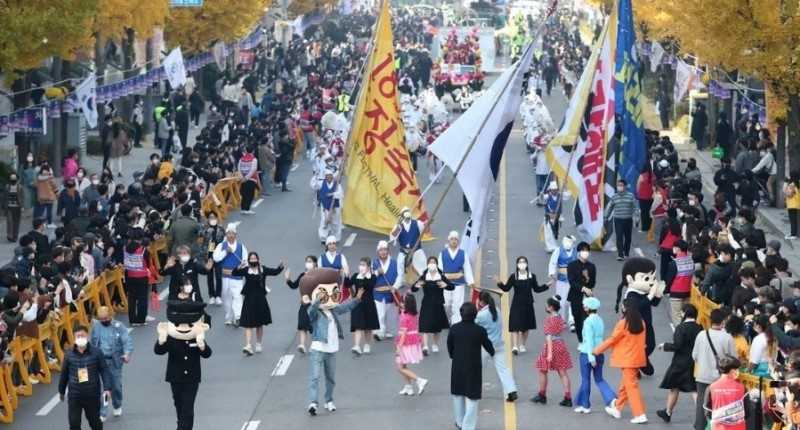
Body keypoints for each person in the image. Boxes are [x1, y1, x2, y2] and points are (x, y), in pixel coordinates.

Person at [301, 269, 364, 415]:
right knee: (315, 377)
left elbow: (345, 307)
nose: (329, 297)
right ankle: (313, 403)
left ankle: (329, 400)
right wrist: (318, 299)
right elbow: (310, 310)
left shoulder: (334, 309)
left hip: (332, 349)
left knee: (331, 378)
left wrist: (357, 299)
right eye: (324, 293)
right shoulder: (316, 312)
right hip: (318, 348)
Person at [154, 301, 212, 430]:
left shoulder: (196, 337)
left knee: (188, 407)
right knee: (179, 404)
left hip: (192, 377)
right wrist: (161, 341)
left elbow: (207, 354)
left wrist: (202, 346)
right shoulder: (172, 336)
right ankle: (182, 425)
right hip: (175, 376)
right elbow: (159, 351)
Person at [594, 298, 648, 424]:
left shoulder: (623, 323)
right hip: (637, 358)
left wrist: (597, 350)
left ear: (625, 308)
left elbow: (612, 339)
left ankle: (639, 414)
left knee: (631, 387)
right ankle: (617, 408)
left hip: (627, 359)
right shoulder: (641, 322)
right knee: (626, 385)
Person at [448, 302, 495, 430]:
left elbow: (450, 347)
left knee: (458, 395)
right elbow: (489, 347)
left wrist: (454, 356)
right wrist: (492, 353)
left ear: (461, 314)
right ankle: (468, 426)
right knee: (472, 398)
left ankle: (459, 422)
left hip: (457, 367)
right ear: (475, 315)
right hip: (473, 368)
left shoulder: (454, 328)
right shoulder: (479, 330)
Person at [58, 324, 113, 430]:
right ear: (74, 338)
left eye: (82, 335)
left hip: (92, 394)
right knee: (74, 423)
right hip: (75, 395)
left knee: (95, 423)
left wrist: (107, 389)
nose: (80, 338)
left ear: (87, 336)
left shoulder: (97, 352)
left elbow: (104, 370)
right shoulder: (69, 354)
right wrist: (61, 391)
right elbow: (64, 374)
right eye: (77, 336)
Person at [656, 303, 702, 423]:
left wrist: (664, 346)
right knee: (693, 389)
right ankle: (668, 412)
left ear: (685, 314)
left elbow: (677, 345)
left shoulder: (681, 328)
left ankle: (669, 412)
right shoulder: (699, 328)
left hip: (680, 362)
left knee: (674, 387)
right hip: (694, 361)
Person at [692, 308, 736, 430]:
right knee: (720, 406)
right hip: (720, 378)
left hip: (702, 376)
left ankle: (700, 426)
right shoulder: (727, 338)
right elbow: (733, 359)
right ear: (723, 321)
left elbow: (694, 355)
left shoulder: (701, 335)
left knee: (702, 404)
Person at [231, 252, 284, 355]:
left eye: (255, 258)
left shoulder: (263, 269)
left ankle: (258, 344)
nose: (253, 260)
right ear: (249, 260)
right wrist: (239, 266)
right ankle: (248, 345)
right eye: (251, 258)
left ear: (258, 259)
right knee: (248, 324)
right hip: (249, 299)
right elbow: (234, 273)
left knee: (259, 324)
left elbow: (275, 272)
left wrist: (280, 267)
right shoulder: (246, 270)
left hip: (260, 299)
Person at [497, 256, 548, 354]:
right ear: (517, 264)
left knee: (526, 326)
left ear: (527, 264)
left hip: (528, 304)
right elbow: (506, 288)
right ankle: (515, 346)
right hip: (516, 304)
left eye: (524, 262)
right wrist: (499, 283)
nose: (522, 264)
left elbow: (537, 289)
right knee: (515, 325)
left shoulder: (532, 276)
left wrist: (546, 286)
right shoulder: (513, 276)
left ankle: (522, 345)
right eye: (520, 262)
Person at [574, 296, 617, 414]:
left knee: (585, 379)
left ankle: (585, 405)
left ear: (589, 308)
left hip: (587, 354)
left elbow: (588, 340)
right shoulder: (600, 319)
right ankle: (611, 398)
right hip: (600, 352)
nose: (584, 307)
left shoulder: (588, 321)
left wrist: (591, 357)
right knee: (599, 379)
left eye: (585, 305)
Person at [90, 306, 133, 420]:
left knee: (116, 386)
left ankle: (117, 404)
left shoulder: (119, 327)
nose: (103, 321)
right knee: (105, 387)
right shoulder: (96, 327)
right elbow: (92, 343)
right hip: (101, 361)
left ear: (111, 316)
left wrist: (127, 353)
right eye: (101, 319)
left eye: (105, 318)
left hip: (114, 361)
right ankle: (103, 411)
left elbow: (127, 340)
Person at [476, 291, 518, 402]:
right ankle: (511, 390)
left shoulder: (481, 315)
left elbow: (473, 325)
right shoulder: (497, 311)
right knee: (503, 369)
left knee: (477, 369)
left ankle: (475, 391)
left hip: (485, 346)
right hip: (499, 344)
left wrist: (477, 309)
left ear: (481, 302)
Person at [532, 296, 573, 406]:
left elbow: (549, 337)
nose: (545, 307)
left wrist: (549, 353)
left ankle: (542, 395)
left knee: (542, 370)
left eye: (546, 305)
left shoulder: (549, 320)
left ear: (550, 308)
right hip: (561, 344)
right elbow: (564, 326)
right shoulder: (559, 318)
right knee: (562, 372)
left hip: (551, 346)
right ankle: (568, 397)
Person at [413, 256, 455, 355]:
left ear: (436, 264)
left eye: (434, 262)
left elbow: (451, 286)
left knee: (437, 327)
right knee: (425, 325)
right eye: (430, 262)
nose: (432, 264)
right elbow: (414, 288)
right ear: (427, 264)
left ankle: (435, 344)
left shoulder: (441, 276)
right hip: (427, 303)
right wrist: (417, 285)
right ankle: (425, 346)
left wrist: (446, 285)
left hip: (438, 304)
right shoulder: (424, 276)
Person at [212, 224, 248, 326]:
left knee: (237, 296)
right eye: (229, 233)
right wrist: (225, 252)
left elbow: (245, 260)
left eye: (233, 233)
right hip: (225, 276)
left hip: (237, 276)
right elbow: (216, 258)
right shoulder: (221, 246)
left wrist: (244, 264)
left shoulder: (241, 246)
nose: (231, 235)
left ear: (236, 235)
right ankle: (228, 316)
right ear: (226, 234)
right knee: (226, 297)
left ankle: (237, 317)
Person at [395, 294, 429, 396]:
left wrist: (399, 346)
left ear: (406, 304)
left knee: (400, 366)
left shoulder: (405, 317)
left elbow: (404, 333)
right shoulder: (413, 314)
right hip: (412, 341)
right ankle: (408, 387)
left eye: (402, 302)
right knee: (403, 365)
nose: (400, 303)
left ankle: (419, 380)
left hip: (405, 342)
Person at [439, 231, 475, 324]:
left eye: (455, 239)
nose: (454, 241)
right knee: (446, 303)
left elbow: (467, 268)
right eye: (452, 239)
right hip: (445, 284)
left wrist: (470, 282)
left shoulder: (463, 253)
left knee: (457, 304)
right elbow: (439, 270)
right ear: (449, 240)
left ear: (458, 241)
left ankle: (455, 323)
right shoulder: (442, 254)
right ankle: (447, 319)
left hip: (459, 284)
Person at [703, 356, 746, 430]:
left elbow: (707, 411)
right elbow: (747, 410)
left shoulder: (711, 387)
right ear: (732, 371)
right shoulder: (742, 388)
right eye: (737, 369)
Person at [285, 256, 317, 353]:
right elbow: (294, 285)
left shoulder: (319, 275)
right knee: (302, 324)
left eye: (310, 261)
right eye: (307, 261)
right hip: (304, 303)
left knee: (314, 325)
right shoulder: (303, 275)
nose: (308, 263)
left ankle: (314, 345)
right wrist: (288, 279)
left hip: (315, 303)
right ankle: (302, 345)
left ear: (315, 263)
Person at [349, 257, 379, 355]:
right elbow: (347, 284)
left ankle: (367, 344)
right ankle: (357, 345)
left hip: (369, 303)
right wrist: (345, 275)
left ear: (368, 267)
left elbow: (368, 286)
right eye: (360, 264)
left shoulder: (373, 277)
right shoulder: (356, 276)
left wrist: (363, 276)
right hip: (358, 303)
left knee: (368, 326)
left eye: (364, 265)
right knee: (358, 325)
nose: (361, 267)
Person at [372, 240, 401, 341]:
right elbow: (368, 277)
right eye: (381, 250)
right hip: (378, 293)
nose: (383, 252)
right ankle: (379, 333)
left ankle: (388, 330)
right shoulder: (374, 264)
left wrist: (395, 287)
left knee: (390, 314)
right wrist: (376, 272)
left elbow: (400, 276)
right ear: (378, 252)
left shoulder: (394, 263)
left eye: (385, 250)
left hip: (391, 292)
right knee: (380, 314)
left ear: (388, 251)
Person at [567, 243, 595, 342]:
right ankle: (580, 339)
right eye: (583, 251)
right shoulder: (571, 266)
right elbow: (572, 282)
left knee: (587, 320)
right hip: (575, 296)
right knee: (577, 319)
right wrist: (583, 288)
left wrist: (587, 280)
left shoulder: (591, 266)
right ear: (578, 253)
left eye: (587, 250)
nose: (585, 253)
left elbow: (592, 283)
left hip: (588, 297)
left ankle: (587, 340)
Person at [123, 232, 151, 326]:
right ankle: (141, 319)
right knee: (142, 298)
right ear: (140, 239)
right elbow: (148, 263)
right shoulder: (143, 250)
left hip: (130, 275)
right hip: (142, 276)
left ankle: (132, 319)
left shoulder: (126, 248)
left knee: (132, 298)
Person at [548, 235, 577, 323]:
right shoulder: (558, 250)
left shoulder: (576, 251)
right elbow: (553, 262)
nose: (567, 243)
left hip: (574, 279)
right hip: (561, 279)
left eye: (569, 242)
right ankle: (561, 319)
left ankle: (572, 320)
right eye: (566, 241)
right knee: (561, 300)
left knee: (573, 300)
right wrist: (552, 273)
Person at [605, 179, 636, 260]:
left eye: (621, 185)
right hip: (618, 220)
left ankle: (626, 252)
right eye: (618, 185)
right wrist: (606, 217)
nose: (619, 187)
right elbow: (610, 207)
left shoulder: (631, 196)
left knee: (628, 237)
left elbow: (635, 208)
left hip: (628, 219)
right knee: (619, 236)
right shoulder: (614, 196)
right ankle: (620, 254)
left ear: (625, 186)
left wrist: (637, 218)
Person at [664, 240, 694, 325]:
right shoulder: (691, 261)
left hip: (676, 293)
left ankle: (679, 334)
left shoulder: (674, 263)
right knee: (686, 315)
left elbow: (669, 279)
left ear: (678, 249)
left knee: (676, 315)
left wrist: (666, 290)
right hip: (688, 292)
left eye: (674, 247)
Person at [203, 213, 225, 305]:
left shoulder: (221, 229)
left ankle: (218, 295)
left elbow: (224, 241)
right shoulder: (205, 230)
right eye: (210, 218)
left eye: (214, 217)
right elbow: (203, 243)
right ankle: (211, 295)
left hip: (218, 255)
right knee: (210, 277)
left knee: (219, 276)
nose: (212, 219)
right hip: (209, 255)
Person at [317, 170, 343, 242]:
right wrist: (315, 177)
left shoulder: (337, 184)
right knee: (324, 221)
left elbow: (340, 194)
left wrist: (333, 194)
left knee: (335, 223)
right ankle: (323, 237)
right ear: (325, 177)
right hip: (325, 206)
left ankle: (336, 237)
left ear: (332, 176)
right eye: (327, 176)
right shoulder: (321, 183)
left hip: (335, 207)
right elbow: (314, 185)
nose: (329, 177)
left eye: (330, 176)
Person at [238, 147, 260, 214]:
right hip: (251, 179)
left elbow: (239, 169)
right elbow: (253, 170)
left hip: (243, 179)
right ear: (252, 151)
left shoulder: (241, 159)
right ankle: (247, 209)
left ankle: (243, 208)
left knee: (244, 194)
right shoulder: (254, 159)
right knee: (250, 194)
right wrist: (247, 178)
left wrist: (242, 178)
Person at [5, 172, 22, 242]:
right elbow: (4, 197)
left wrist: (23, 206)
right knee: (9, 221)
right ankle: (10, 235)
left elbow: (22, 197)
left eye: (14, 178)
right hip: (9, 206)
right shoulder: (7, 187)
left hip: (17, 207)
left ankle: (15, 236)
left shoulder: (20, 187)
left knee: (16, 222)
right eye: (11, 178)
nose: (13, 179)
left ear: (17, 179)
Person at [784, 172, 800, 240]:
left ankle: (793, 234)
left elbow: (789, 194)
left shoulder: (792, 185)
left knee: (793, 220)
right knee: (796, 220)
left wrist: (785, 185)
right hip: (797, 204)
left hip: (792, 205)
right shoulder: (798, 183)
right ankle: (794, 234)